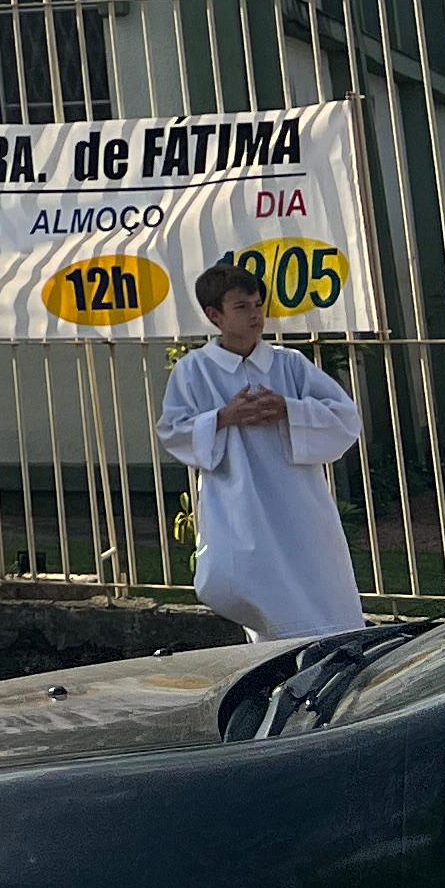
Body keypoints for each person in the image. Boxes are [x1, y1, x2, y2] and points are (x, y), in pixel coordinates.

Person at [156, 256, 366, 639]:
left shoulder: (290, 364)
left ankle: (340, 653)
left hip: (299, 499)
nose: (254, 316)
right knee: (245, 583)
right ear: (214, 315)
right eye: (241, 307)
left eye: (257, 305)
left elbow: (345, 418)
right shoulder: (194, 370)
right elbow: (172, 430)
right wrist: (222, 417)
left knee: (320, 581)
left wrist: (290, 409)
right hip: (238, 500)